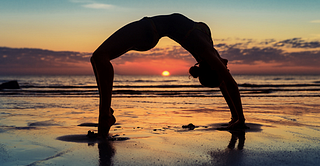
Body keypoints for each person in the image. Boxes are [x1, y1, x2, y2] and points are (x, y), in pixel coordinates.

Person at [91, 13, 246, 137]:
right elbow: (225, 85)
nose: (227, 67)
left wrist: (241, 119)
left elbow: (230, 84)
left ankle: (105, 116)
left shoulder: (206, 52)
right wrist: (235, 116)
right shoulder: (208, 50)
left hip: (149, 29)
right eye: (227, 70)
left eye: (225, 70)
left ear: (213, 68)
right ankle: (105, 115)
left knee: (99, 57)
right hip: (150, 30)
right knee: (97, 58)